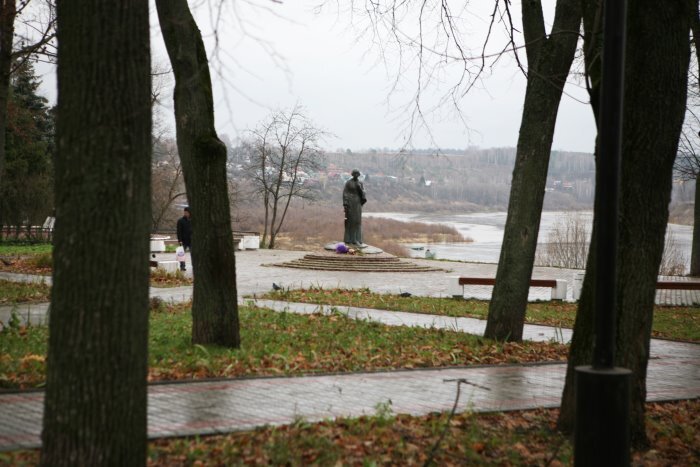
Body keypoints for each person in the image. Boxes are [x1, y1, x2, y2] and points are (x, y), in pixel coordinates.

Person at [343, 169, 367, 246]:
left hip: (357, 202)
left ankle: (357, 239)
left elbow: (363, 193)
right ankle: (349, 239)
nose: (356, 175)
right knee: (350, 220)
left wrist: (360, 189)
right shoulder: (348, 182)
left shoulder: (360, 183)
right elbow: (345, 193)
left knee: (357, 220)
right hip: (350, 202)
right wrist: (345, 203)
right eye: (355, 174)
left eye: (357, 174)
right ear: (352, 174)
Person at [176, 206, 191, 271]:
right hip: (183, 241)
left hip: (191, 240)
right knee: (181, 255)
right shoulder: (180, 221)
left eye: (187, 212)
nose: (186, 214)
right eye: (185, 212)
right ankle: (182, 267)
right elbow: (179, 231)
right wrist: (180, 240)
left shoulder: (193, 221)